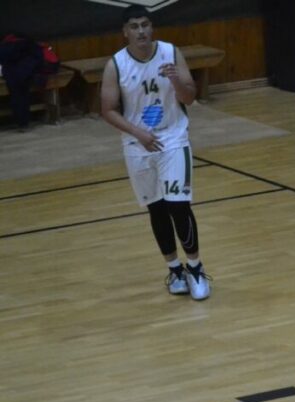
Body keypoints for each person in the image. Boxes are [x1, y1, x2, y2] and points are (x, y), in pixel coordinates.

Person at [100, 5, 211, 300]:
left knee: (179, 206)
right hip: (138, 144)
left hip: (173, 138)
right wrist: (138, 133)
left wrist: (175, 80)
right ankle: (175, 270)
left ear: (152, 27)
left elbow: (190, 96)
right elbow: (107, 110)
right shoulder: (116, 65)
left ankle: (196, 268)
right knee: (157, 208)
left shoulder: (171, 53)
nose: (141, 31)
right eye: (134, 26)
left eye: (145, 24)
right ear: (125, 32)